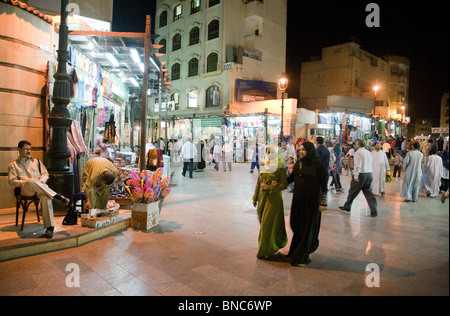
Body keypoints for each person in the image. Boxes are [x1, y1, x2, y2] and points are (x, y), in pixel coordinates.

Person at [8, 140, 70, 238]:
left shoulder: (37, 162)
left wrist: (40, 182)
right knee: (29, 181)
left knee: (46, 198)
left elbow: (45, 174)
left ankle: (50, 228)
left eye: (30, 149)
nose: (29, 151)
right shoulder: (13, 165)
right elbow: (12, 181)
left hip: (40, 188)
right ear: (19, 149)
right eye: (26, 149)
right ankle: (57, 196)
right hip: (26, 189)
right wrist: (26, 182)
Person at [286, 142, 328, 266]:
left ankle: (302, 256)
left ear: (310, 151)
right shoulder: (298, 164)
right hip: (298, 201)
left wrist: (323, 202)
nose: (301, 152)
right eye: (300, 149)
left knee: (307, 229)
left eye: (304, 150)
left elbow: (324, 187)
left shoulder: (318, 166)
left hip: (312, 203)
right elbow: (290, 179)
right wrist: (277, 179)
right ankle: (296, 252)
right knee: (296, 226)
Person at [252, 145, 288, 259]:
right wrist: (255, 197)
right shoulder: (265, 165)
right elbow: (259, 182)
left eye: (272, 152)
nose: (269, 154)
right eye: (268, 152)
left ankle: (263, 251)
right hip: (262, 199)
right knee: (263, 224)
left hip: (273, 200)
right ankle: (271, 246)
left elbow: (284, 184)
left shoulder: (280, 167)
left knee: (267, 225)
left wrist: (270, 187)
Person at [339, 139, 378, 217]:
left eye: (356, 144)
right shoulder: (368, 152)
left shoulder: (358, 152)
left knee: (352, 191)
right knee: (368, 193)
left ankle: (347, 206)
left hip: (361, 175)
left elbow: (358, 165)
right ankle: (374, 210)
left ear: (358, 145)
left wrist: (356, 175)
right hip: (368, 173)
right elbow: (371, 162)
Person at [316, 136, 330, 206]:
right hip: (326, 170)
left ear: (317, 142)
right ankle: (324, 201)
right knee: (324, 186)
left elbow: (317, 161)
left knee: (319, 187)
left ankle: (319, 201)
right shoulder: (327, 150)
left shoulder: (318, 150)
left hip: (320, 171)